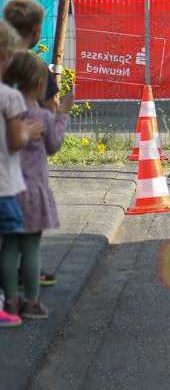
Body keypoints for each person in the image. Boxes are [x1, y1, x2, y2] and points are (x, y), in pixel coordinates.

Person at [1, 51, 71, 320]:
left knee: (8, 247)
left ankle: (10, 303)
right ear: (40, 84)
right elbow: (53, 146)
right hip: (35, 194)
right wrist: (62, 114)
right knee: (30, 248)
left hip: (8, 191)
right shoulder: (42, 118)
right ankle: (31, 302)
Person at [0, 22, 43, 328]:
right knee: (13, 244)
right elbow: (16, 142)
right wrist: (27, 132)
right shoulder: (10, 98)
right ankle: (13, 302)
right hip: (5, 187)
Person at [2, 0, 59, 112]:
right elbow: (50, 108)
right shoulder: (37, 66)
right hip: (33, 127)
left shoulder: (2, 61)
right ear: (36, 31)